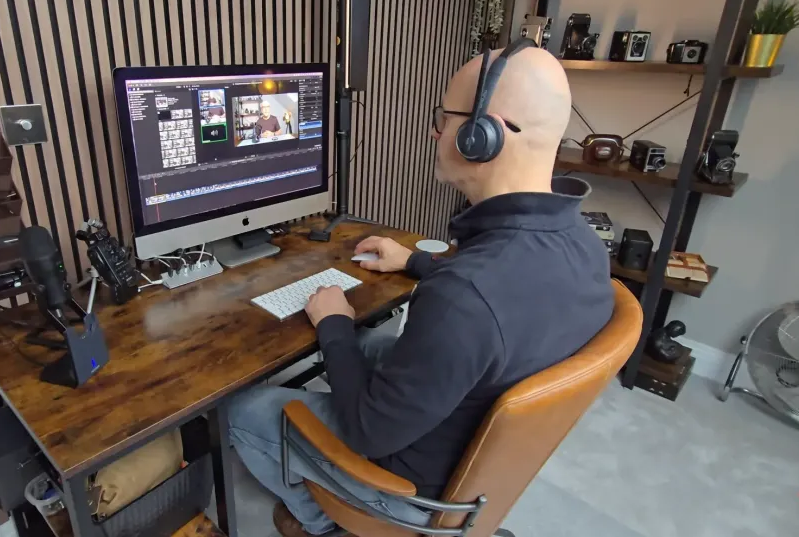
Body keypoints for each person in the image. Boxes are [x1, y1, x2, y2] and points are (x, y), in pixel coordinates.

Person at [228, 46, 614, 537]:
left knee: (244, 410)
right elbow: (500, 300)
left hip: (415, 488)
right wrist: (414, 261)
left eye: (444, 117)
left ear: (482, 136)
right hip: (476, 449)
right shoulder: (583, 245)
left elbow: (369, 432)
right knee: (367, 346)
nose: (436, 131)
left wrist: (334, 321)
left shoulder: (465, 297)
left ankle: (322, 521)